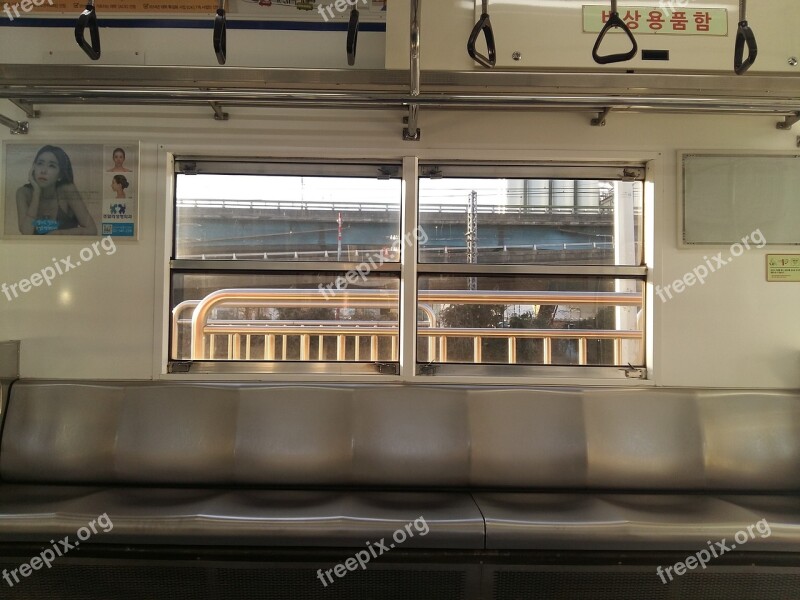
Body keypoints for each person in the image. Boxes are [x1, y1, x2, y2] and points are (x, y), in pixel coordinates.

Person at [16, 145, 98, 236]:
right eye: (40, 163)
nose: (43, 170)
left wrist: (59, 234)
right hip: (35, 249)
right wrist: (36, 193)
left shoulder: (67, 190)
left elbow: (92, 230)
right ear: (33, 167)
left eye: (51, 166)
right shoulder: (23, 193)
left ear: (60, 175)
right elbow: (26, 232)